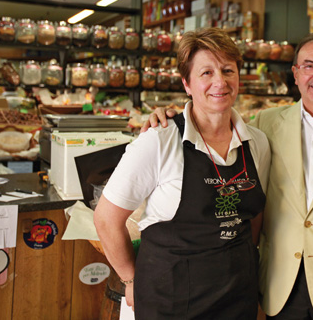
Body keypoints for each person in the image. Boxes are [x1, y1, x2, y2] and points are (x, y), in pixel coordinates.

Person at [143, 33, 313, 319]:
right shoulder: (265, 125)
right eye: (309, 66)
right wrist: (172, 118)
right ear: (295, 74)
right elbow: (213, 118)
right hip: (278, 287)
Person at [94, 27, 271, 318]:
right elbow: (106, 219)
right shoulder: (159, 140)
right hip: (170, 301)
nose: (220, 82)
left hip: (237, 297)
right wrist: (130, 279)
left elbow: (253, 217)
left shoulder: (258, 143)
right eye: (206, 73)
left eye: (228, 70)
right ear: (186, 84)